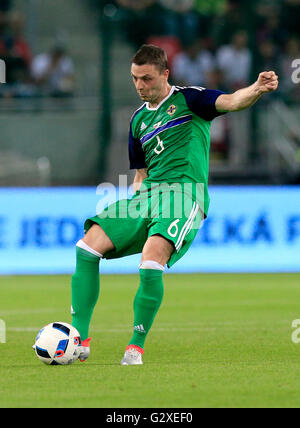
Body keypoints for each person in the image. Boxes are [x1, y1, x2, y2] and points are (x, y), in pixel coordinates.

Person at [71, 44, 278, 365]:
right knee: (87, 246)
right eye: (135, 79)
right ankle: (79, 340)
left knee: (151, 259)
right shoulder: (138, 120)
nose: (140, 86)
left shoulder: (191, 99)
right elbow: (141, 173)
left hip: (184, 195)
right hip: (149, 195)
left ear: (165, 74)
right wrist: (137, 201)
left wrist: (256, 88)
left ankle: (134, 348)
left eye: (147, 78)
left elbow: (232, 101)